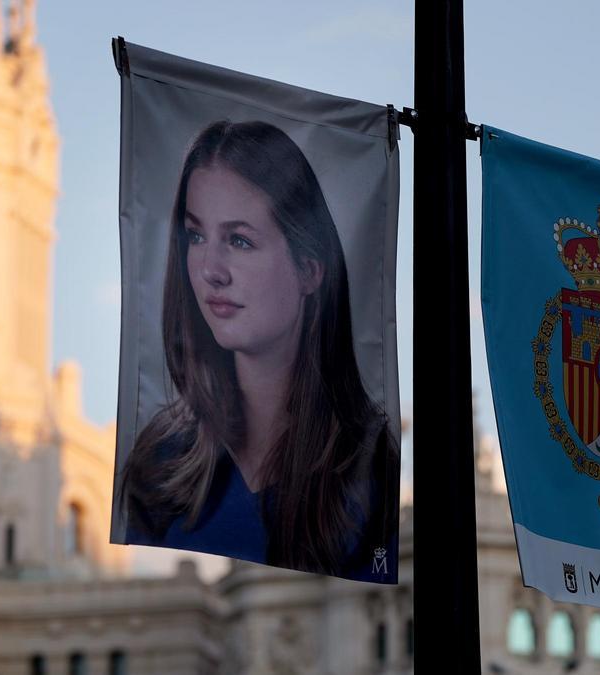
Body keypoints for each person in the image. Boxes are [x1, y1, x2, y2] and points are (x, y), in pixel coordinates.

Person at [120, 120, 398, 582]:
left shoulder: (367, 464)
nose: (211, 269)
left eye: (240, 240)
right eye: (195, 235)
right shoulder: (159, 461)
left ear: (310, 269)